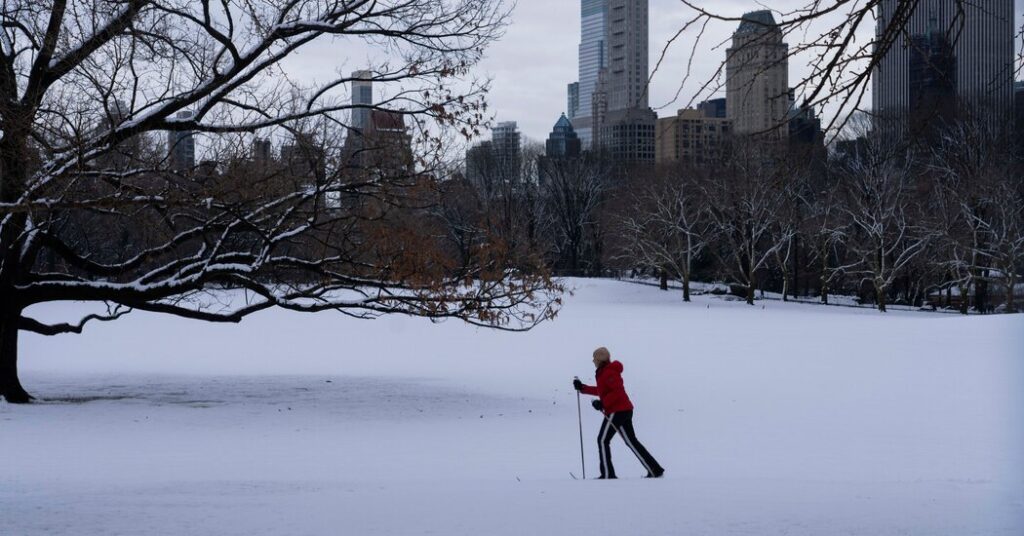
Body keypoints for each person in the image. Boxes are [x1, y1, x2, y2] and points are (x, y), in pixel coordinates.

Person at [573, 347, 665, 479]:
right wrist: (583, 388)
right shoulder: (604, 372)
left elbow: (617, 391)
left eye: (594, 358)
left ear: (600, 359)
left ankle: (607, 474)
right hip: (623, 410)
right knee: (631, 441)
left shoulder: (609, 372)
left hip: (617, 411)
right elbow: (602, 391)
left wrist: (603, 403)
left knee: (603, 440)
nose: (593, 360)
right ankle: (655, 469)